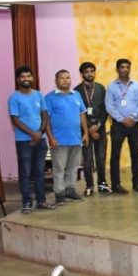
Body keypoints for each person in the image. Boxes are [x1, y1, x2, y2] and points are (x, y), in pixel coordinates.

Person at [8, 66, 55, 214]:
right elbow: (15, 120)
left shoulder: (39, 95)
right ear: (18, 79)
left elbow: (45, 115)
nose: (26, 79)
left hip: (40, 140)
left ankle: (41, 201)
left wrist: (40, 132)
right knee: (25, 173)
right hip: (24, 141)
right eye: (23, 76)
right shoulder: (14, 98)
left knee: (40, 171)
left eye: (28, 76)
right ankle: (26, 202)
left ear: (32, 78)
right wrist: (32, 134)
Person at [45, 69, 89, 205]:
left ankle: (70, 190)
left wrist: (86, 133)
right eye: (62, 78)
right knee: (59, 169)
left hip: (76, 139)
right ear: (56, 81)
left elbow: (82, 114)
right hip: (59, 141)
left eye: (68, 78)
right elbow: (46, 120)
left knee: (73, 168)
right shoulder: (49, 97)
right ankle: (59, 194)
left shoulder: (76, 95)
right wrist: (50, 137)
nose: (65, 80)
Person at [105, 58, 138, 194]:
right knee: (115, 155)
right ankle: (116, 184)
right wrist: (122, 119)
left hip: (134, 125)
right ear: (117, 69)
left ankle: (136, 182)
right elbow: (109, 106)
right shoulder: (111, 87)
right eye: (122, 67)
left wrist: (133, 117)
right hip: (118, 125)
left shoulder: (137, 86)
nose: (125, 69)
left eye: (127, 67)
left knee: (135, 154)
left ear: (130, 69)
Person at [74, 61, 110, 196]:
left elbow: (106, 109)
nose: (89, 74)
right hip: (84, 130)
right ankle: (89, 185)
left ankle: (102, 183)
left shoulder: (101, 88)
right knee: (88, 159)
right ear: (82, 74)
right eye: (86, 72)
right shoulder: (76, 91)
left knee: (101, 157)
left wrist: (98, 125)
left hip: (100, 128)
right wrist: (89, 128)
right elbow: (78, 112)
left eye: (91, 71)